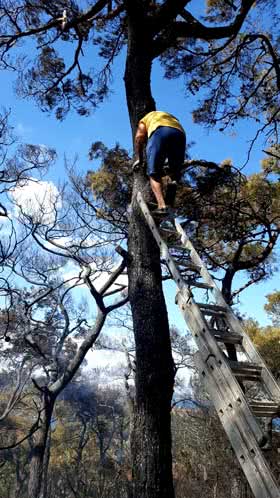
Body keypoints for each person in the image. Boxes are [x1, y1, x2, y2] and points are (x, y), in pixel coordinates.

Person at [133, 110, 186, 214]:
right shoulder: (170, 117)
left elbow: (139, 137)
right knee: (175, 173)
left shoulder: (145, 119)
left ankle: (162, 206)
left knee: (154, 173)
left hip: (160, 132)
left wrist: (140, 158)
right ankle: (169, 203)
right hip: (180, 134)